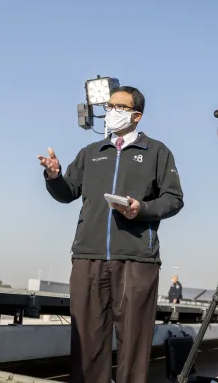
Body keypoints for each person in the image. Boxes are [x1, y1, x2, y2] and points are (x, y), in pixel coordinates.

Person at [38, 86, 184, 383]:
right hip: (88, 258)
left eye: (119, 106)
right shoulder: (91, 153)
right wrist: (53, 177)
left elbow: (174, 199)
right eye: (109, 106)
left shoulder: (157, 152)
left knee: (134, 342)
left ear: (137, 115)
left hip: (137, 260)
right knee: (87, 343)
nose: (111, 112)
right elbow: (67, 193)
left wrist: (141, 208)